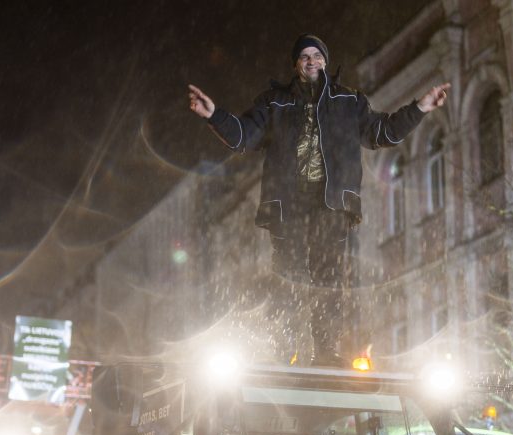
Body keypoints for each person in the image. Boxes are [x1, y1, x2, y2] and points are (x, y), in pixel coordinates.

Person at [189, 34, 448, 366]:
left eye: (316, 55)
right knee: (288, 275)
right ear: (296, 65)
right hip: (287, 204)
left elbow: (382, 132)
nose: (311, 61)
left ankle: (325, 351)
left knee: (327, 277)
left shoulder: (349, 101)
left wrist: (421, 107)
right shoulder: (275, 102)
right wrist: (214, 115)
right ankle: (285, 348)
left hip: (332, 203)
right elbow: (243, 135)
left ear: (325, 61)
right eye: (304, 57)